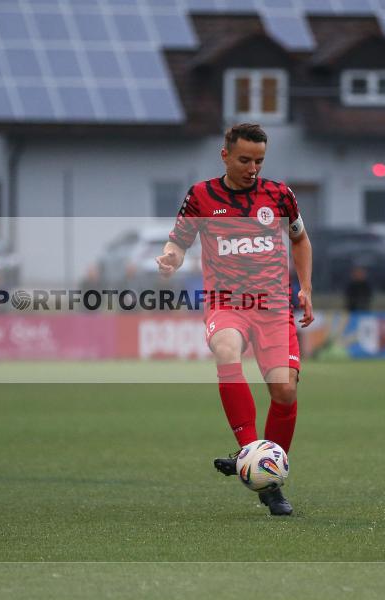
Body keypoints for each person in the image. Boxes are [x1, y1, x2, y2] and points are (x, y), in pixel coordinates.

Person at [156, 123, 314, 516]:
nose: (252, 168)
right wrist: (170, 258)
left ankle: (269, 479)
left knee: (285, 393)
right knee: (226, 348)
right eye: (245, 159)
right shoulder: (201, 196)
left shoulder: (279, 195)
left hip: (274, 307)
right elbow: (178, 240)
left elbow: (299, 239)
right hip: (226, 302)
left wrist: (306, 287)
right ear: (224, 155)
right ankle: (250, 452)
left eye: (259, 160)